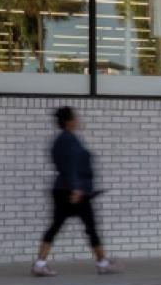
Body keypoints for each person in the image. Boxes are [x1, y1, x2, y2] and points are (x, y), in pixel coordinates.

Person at [34, 106, 118, 276]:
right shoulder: (69, 140)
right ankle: (102, 263)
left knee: (57, 226)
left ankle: (40, 263)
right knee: (91, 227)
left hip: (63, 189)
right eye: (75, 118)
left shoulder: (60, 140)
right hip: (74, 192)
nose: (78, 120)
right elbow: (70, 166)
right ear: (68, 121)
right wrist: (76, 188)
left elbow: (60, 162)